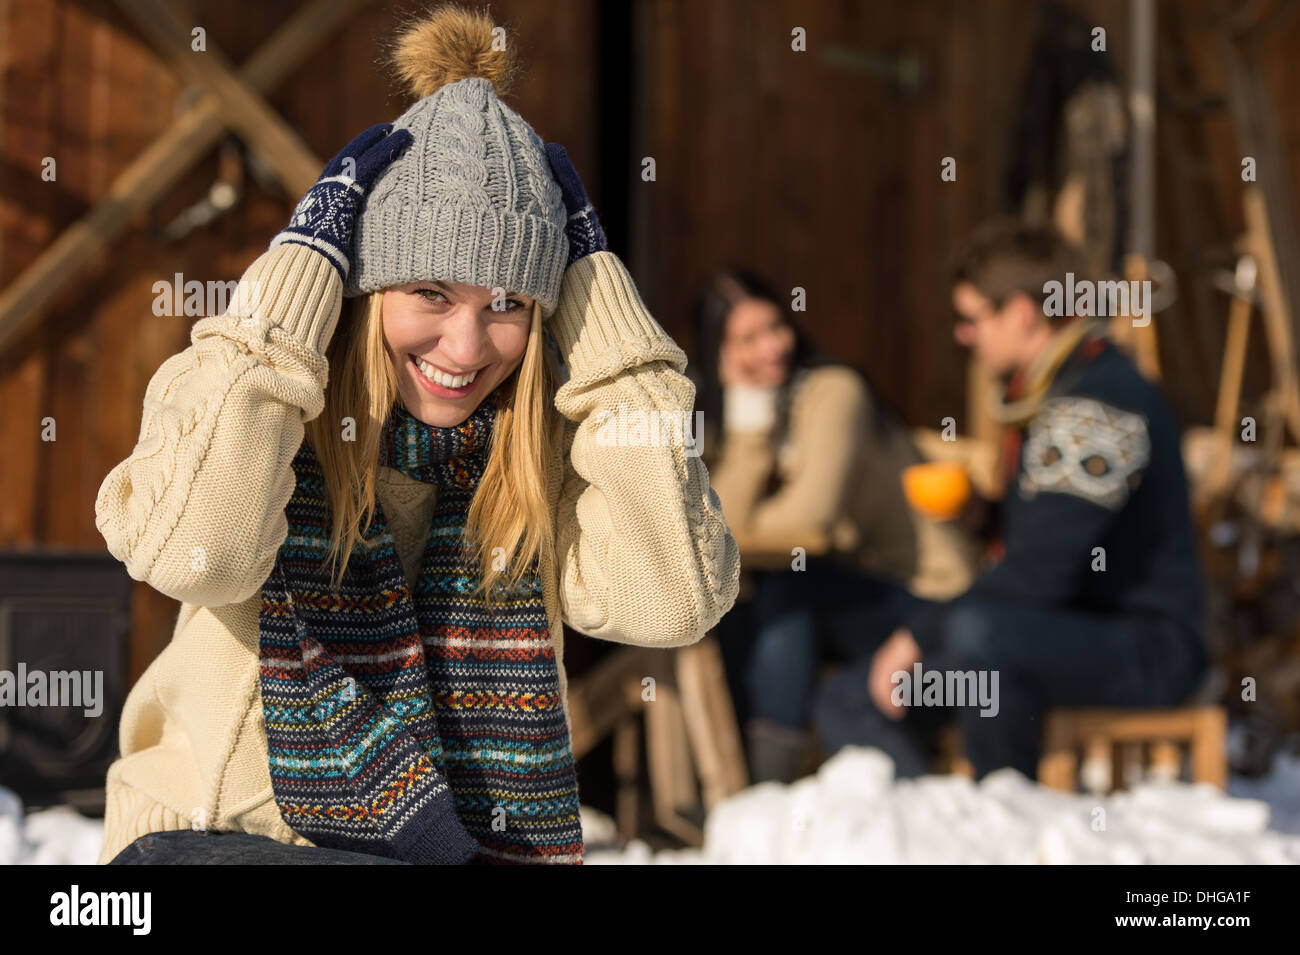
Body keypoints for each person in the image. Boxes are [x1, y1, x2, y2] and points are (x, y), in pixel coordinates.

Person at [94, 4, 738, 866]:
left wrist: (604, 319)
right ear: (362, 292)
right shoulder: (251, 404)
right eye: (430, 292)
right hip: (201, 853)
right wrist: (291, 289)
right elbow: (197, 554)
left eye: (507, 303)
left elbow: (678, 597)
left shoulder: (543, 453)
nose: (466, 349)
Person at [814, 218, 1209, 782]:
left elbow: (1041, 573)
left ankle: (1009, 815)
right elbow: (1055, 536)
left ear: (1023, 312)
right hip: (1054, 634)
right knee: (852, 697)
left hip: (1144, 648)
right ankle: (935, 831)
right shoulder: (1055, 389)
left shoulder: (1097, 406)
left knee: (979, 633)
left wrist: (918, 634)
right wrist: (981, 514)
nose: (963, 335)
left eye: (973, 318)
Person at [695, 267, 975, 783]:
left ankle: (768, 781)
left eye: (775, 327)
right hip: (851, 595)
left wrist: (748, 515)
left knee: (786, 590)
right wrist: (750, 424)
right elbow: (722, 525)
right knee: (740, 604)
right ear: (721, 353)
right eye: (747, 340)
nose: (771, 347)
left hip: (928, 594)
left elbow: (808, 521)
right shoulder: (743, 413)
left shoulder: (833, 392)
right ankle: (743, 778)